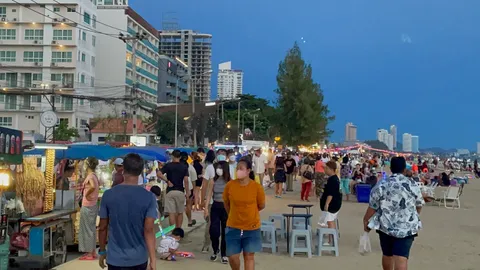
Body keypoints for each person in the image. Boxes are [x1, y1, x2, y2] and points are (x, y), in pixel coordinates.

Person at [363, 156, 424, 270]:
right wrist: (414, 215)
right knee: (402, 257)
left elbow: (373, 206)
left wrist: (366, 220)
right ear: (404, 169)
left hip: (386, 226)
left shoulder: (382, 184)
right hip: (407, 226)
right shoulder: (412, 184)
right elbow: (419, 204)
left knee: (387, 254)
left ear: (390, 168)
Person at [98, 154, 157, 270]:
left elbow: (102, 227)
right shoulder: (149, 197)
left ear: (123, 170)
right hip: (139, 258)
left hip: (115, 259)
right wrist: (153, 259)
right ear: (140, 172)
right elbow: (149, 230)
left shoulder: (108, 195)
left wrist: (102, 251)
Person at [223, 159, 265, 270]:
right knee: (232, 257)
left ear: (248, 171)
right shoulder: (230, 185)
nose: (238, 171)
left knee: (249, 256)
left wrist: (249, 212)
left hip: (252, 227)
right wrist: (233, 214)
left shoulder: (256, 187)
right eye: (237, 168)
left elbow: (261, 205)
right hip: (233, 227)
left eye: (241, 168)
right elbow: (226, 203)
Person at [204, 161, 230, 264]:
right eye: (217, 168)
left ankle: (224, 254)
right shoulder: (213, 181)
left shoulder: (229, 182)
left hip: (226, 208)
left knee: (225, 232)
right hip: (215, 206)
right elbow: (209, 194)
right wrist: (206, 208)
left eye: (220, 168)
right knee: (214, 231)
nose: (218, 170)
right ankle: (215, 250)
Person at [157, 150, 190, 228]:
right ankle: (178, 230)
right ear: (180, 157)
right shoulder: (184, 167)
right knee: (180, 212)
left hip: (170, 191)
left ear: (172, 156)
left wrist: (167, 181)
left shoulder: (168, 165)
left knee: (171, 213)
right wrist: (188, 192)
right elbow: (186, 180)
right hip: (180, 191)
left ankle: (173, 232)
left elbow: (159, 173)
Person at [79, 157, 100, 261]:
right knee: (91, 229)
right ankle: (92, 252)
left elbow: (91, 186)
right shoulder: (95, 176)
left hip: (87, 205)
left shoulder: (90, 176)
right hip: (93, 204)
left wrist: (86, 194)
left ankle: (89, 253)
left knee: (87, 230)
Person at [319, 161, 342, 244]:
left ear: (331, 169)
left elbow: (331, 194)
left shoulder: (333, 179)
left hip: (333, 204)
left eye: (326, 168)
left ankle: (331, 240)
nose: (324, 170)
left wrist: (327, 204)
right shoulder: (333, 178)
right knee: (330, 221)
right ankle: (331, 240)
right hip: (334, 203)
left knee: (330, 221)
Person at [202, 150, 216, 253]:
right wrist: (203, 199)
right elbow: (205, 184)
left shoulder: (227, 167)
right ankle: (207, 244)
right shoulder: (210, 168)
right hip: (212, 201)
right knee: (210, 223)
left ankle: (210, 245)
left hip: (220, 201)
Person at [180, 151, 197, 227]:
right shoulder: (190, 167)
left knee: (179, 207)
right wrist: (194, 190)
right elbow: (193, 180)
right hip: (189, 188)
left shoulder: (176, 166)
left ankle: (178, 224)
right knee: (188, 205)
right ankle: (189, 221)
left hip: (179, 187)